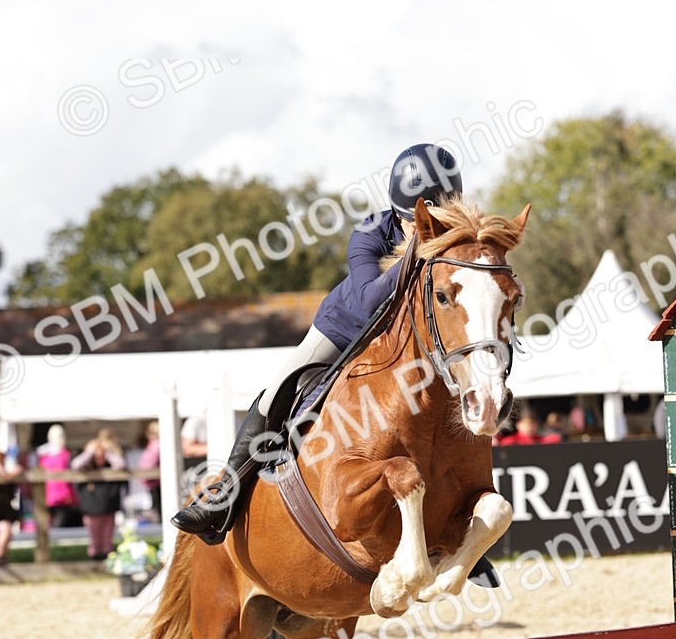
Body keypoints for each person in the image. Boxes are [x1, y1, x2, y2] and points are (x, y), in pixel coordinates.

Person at [173, 143, 462, 545]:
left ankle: (459, 518)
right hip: (344, 329)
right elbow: (368, 299)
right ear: (400, 214)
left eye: (439, 221)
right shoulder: (369, 233)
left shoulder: (454, 241)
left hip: (405, 343)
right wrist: (415, 251)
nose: (430, 228)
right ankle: (224, 494)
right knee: (281, 387)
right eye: (418, 221)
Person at [71, 429, 126, 560]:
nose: (99, 456)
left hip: (108, 504)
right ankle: (95, 559)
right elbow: (75, 465)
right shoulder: (87, 465)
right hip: (92, 506)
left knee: (107, 538)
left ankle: (107, 559)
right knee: (95, 538)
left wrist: (107, 453)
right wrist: (89, 452)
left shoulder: (110, 462)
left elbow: (121, 464)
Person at [36, 424, 80, 529]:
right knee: (55, 523)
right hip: (59, 494)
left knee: (56, 522)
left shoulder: (44, 455)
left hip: (52, 494)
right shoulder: (64, 455)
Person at [497, 411, 562, 446]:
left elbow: (555, 438)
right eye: (526, 423)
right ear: (518, 425)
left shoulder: (540, 440)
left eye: (532, 423)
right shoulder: (510, 441)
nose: (529, 426)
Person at [139, 421, 162, 518]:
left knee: (159, 505)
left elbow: (150, 462)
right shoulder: (153, 444)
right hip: (151, 478)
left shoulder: (156, 444)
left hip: (154, 478)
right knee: (157, 505)